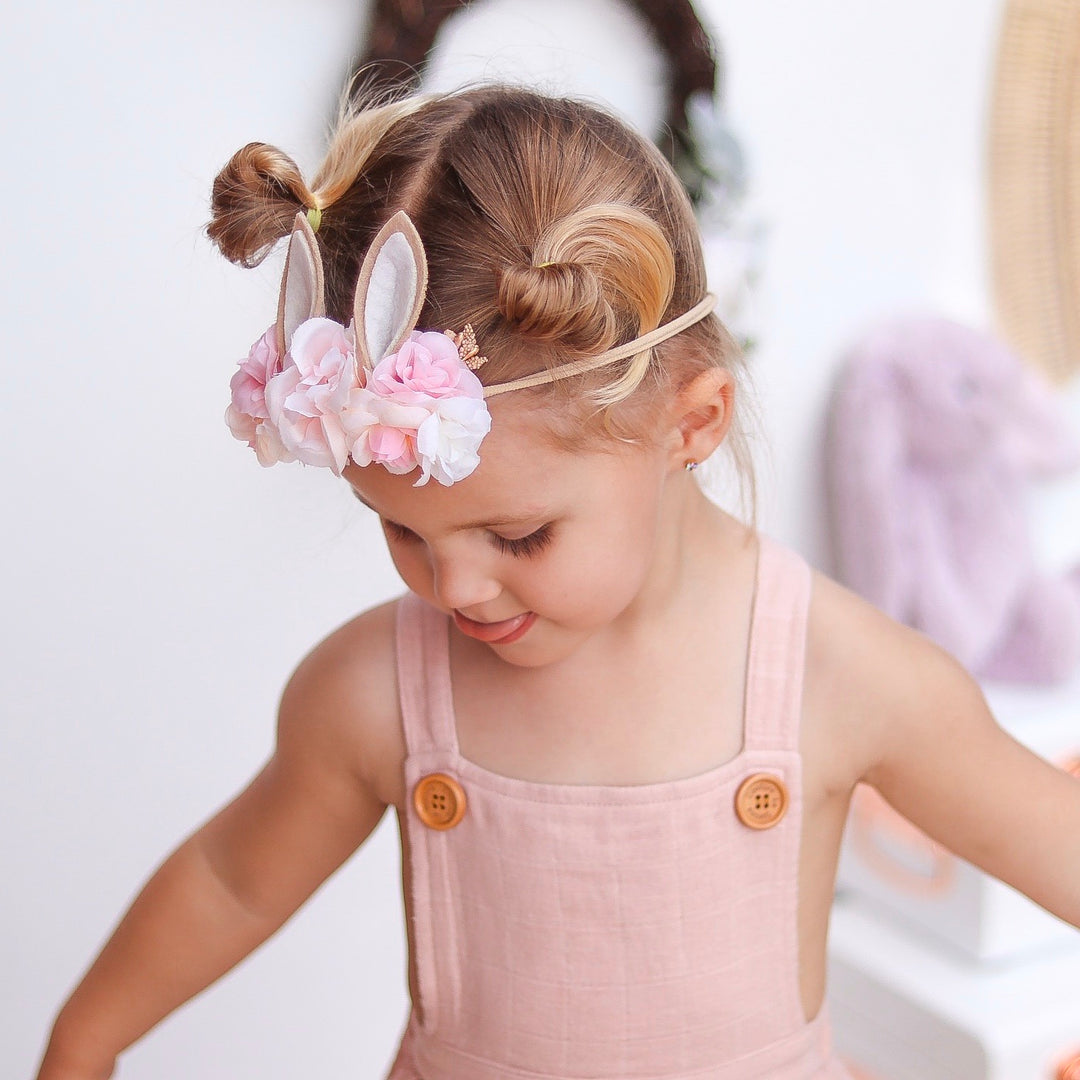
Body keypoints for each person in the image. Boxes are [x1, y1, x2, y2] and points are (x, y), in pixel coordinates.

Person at [34, 85, 1080, 1080]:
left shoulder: (837, 674)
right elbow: (233, 878)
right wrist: (83, 1044)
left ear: (692, 423)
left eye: (519, 535)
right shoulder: (375, 693)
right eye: (400, 531)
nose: (457, 589)